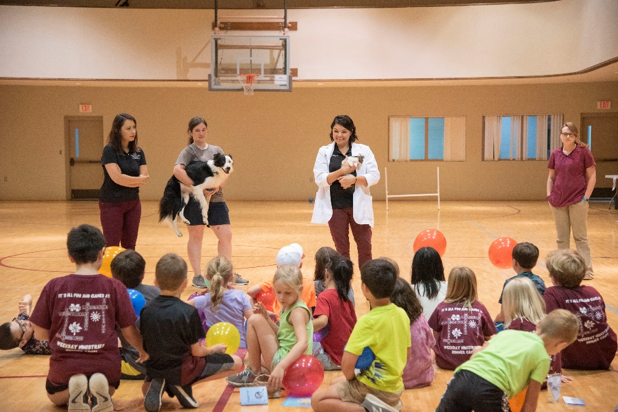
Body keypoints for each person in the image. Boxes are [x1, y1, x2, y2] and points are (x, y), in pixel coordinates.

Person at [29, 224, 148, 412]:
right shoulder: (115, 287)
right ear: (102, 253)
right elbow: (129, 331)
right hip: (105, 365)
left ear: (70, 256)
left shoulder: (54, 286)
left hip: (65, 365)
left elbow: (41, 334)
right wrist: (142, 351)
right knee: (109, 388)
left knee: (53, 396)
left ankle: (74, 392)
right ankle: (99, 390)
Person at [140, 253, 242, 412]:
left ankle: (163, 380)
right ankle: (178, 384)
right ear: (185, 283)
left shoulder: (146, 310)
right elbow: (198, 352)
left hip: (155, 367)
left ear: (155, 282)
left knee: (145, 390)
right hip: (183, 369)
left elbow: (145, 344)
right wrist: (213, 349)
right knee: (237, 363)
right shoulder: (187, 312)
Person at [311, 259, 410, 412]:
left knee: (317, 400)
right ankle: (384, 404)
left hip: (374, 388)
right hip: (394, 386)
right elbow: (407, 353)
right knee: (334, 383)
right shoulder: (401, 313)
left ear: (365, 288)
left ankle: (370, 410)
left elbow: (347, 365)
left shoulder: (367, 321)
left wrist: (354, 381)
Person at [435, 309, 579, 412]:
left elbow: (475, 354)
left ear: (538, 324)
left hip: (461, 379)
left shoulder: (508, 333)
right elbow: (530, 402)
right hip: (490, 391)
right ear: (561, 345)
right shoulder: (543, 357)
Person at [173, 116, 247, 288]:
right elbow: (177, 170)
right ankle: (198, 276)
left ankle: (226, 274)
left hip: (216, 199)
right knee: (196, 236)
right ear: (190, 133)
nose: (200, 133)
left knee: (226, 235)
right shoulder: (189, 151)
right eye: (197, 130)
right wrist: (195, 186)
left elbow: (226, 171)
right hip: (196, 200)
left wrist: (217, 186)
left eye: (203, 130)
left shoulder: (216, 150)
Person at [226, 265, 313, 398]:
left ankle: (253, 372)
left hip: (289, 367)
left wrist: (281, 367)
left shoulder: (297, 312)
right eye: (278, 292)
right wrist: (267, 318)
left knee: (254, 319)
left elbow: (303, 343)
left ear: (300, 290)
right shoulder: (287, 306)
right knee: (257, 357)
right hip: (291, 367)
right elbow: (282, 335)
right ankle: (267, 376)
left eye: (287, 293)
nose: (282, 297)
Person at [311, 115, 380, 270]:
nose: (339, 135)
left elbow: (374, 176)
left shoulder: (362, 151)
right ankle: (344, 286)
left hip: (358, 206)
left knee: (365, 248)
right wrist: (341, 171)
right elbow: (320, 179)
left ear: (351, 132)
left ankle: (368, 285)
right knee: (341, 252)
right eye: (335, 131)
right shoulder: (325, 152)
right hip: (335, 207)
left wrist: (353, 180)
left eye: (343, 131)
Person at [543, 249, 617, 370]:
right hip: (605, 354)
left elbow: (550, 330)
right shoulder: (592, 291)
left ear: (554, 277)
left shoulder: (551, 294)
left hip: (573, 358)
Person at [547, 122, 596, 279]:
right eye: (564, 134)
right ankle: (562, 269)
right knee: (561, 238)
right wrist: (549, 195)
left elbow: (592, 176)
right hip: (558, 201)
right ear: (560, 136)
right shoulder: (555, 153)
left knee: (580, 236)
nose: (567, 137)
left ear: (575, 137)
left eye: (570, 134)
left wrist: (585, 197)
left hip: (577, 200)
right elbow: (551, 177)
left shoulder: (583, 152)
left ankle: (587, 269)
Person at [428, 266, 496, 370]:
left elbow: (436, 336)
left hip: (444, 361)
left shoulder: (441, 307)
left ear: (450, 285)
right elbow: (489, 335)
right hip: (473, 361)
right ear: (473, 285)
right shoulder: (480, 308)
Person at [99, 113, 149, 251]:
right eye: (128, 128)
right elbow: (116, 178)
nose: (133, 131)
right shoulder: (109, 150)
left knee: (130, 247)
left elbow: (144, 177)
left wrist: (128, 179)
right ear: (118, 130)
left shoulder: (139, 152)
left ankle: (129, 273)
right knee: (112, 246)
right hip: (112, 203)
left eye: (134, 127)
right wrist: (135, 180)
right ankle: (109, 273)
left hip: (133, 203)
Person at [502, 277, 564, 385]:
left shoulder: (517, 324)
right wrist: (557, 374)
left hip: (529, 382)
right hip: (551, 380)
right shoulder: (548, 321)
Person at [110, 249, 160, 380]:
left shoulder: (115, 300)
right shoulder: (156, 292)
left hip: (138, 364)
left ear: (113, 276)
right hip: (162, 361)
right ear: (143, 274)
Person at [188, 256, 253, 348]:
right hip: (239, 347)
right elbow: (253, 320)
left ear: (207, 277)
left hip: (214, 348)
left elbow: (180, 308)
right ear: (231, 277)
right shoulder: (241, 296)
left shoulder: (205, 299)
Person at [312, 256, 357, 371]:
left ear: (327, 275)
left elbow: (322, 322)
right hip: (347, 357)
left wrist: (301, 327)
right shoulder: (347, 300)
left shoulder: (324, 296)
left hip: (330, 360)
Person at [246, 243, 317, 316]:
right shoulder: (309, 282)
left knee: (249, 299)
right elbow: (309, 312)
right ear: (301, 265)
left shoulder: (276, 279)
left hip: (279, 320)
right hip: (302, 320)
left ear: (277, 267)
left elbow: (251, 292)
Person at [391, 277, 435, 389]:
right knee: (431, 351)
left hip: (394, 379)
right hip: (423, 378)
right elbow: (430, 343)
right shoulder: (420, 319)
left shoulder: (386, 322)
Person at [494, 242, 545, 324]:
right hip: (535, 323)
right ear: (535, 263)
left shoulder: (510, 283)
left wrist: (494, 324)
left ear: (515, 262)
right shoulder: (540, 281)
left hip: (516, 324)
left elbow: (503, 315)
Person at [411, 246, 447, 321]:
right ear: (439, 267)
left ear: (415, 268)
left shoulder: (411, 290)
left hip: (422, 332)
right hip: (444, 331)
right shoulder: (449, 286)